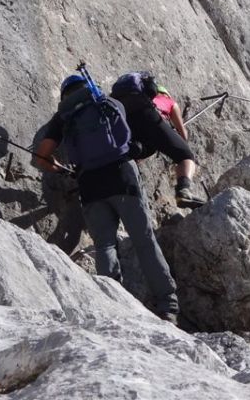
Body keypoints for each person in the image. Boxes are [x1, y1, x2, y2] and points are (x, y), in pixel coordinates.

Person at [31, 74, 179, 323]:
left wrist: (58, 167)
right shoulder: (108, 103)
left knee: (105, 245)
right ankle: (168, 306)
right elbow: (131, 139)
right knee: (144, 240)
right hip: (123, 175)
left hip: (90, 184)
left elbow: (40, 158)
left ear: (65, 95)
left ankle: (114, 304)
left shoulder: (63, 117)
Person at [110, 73, 204, 209]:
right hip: (150, 118)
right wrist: (174, 142)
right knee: (185, 156)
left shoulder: (132, 99)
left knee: (141, 149)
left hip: (127, 120)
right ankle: (184, 191)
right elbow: (183, 134)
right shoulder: (169, 101)